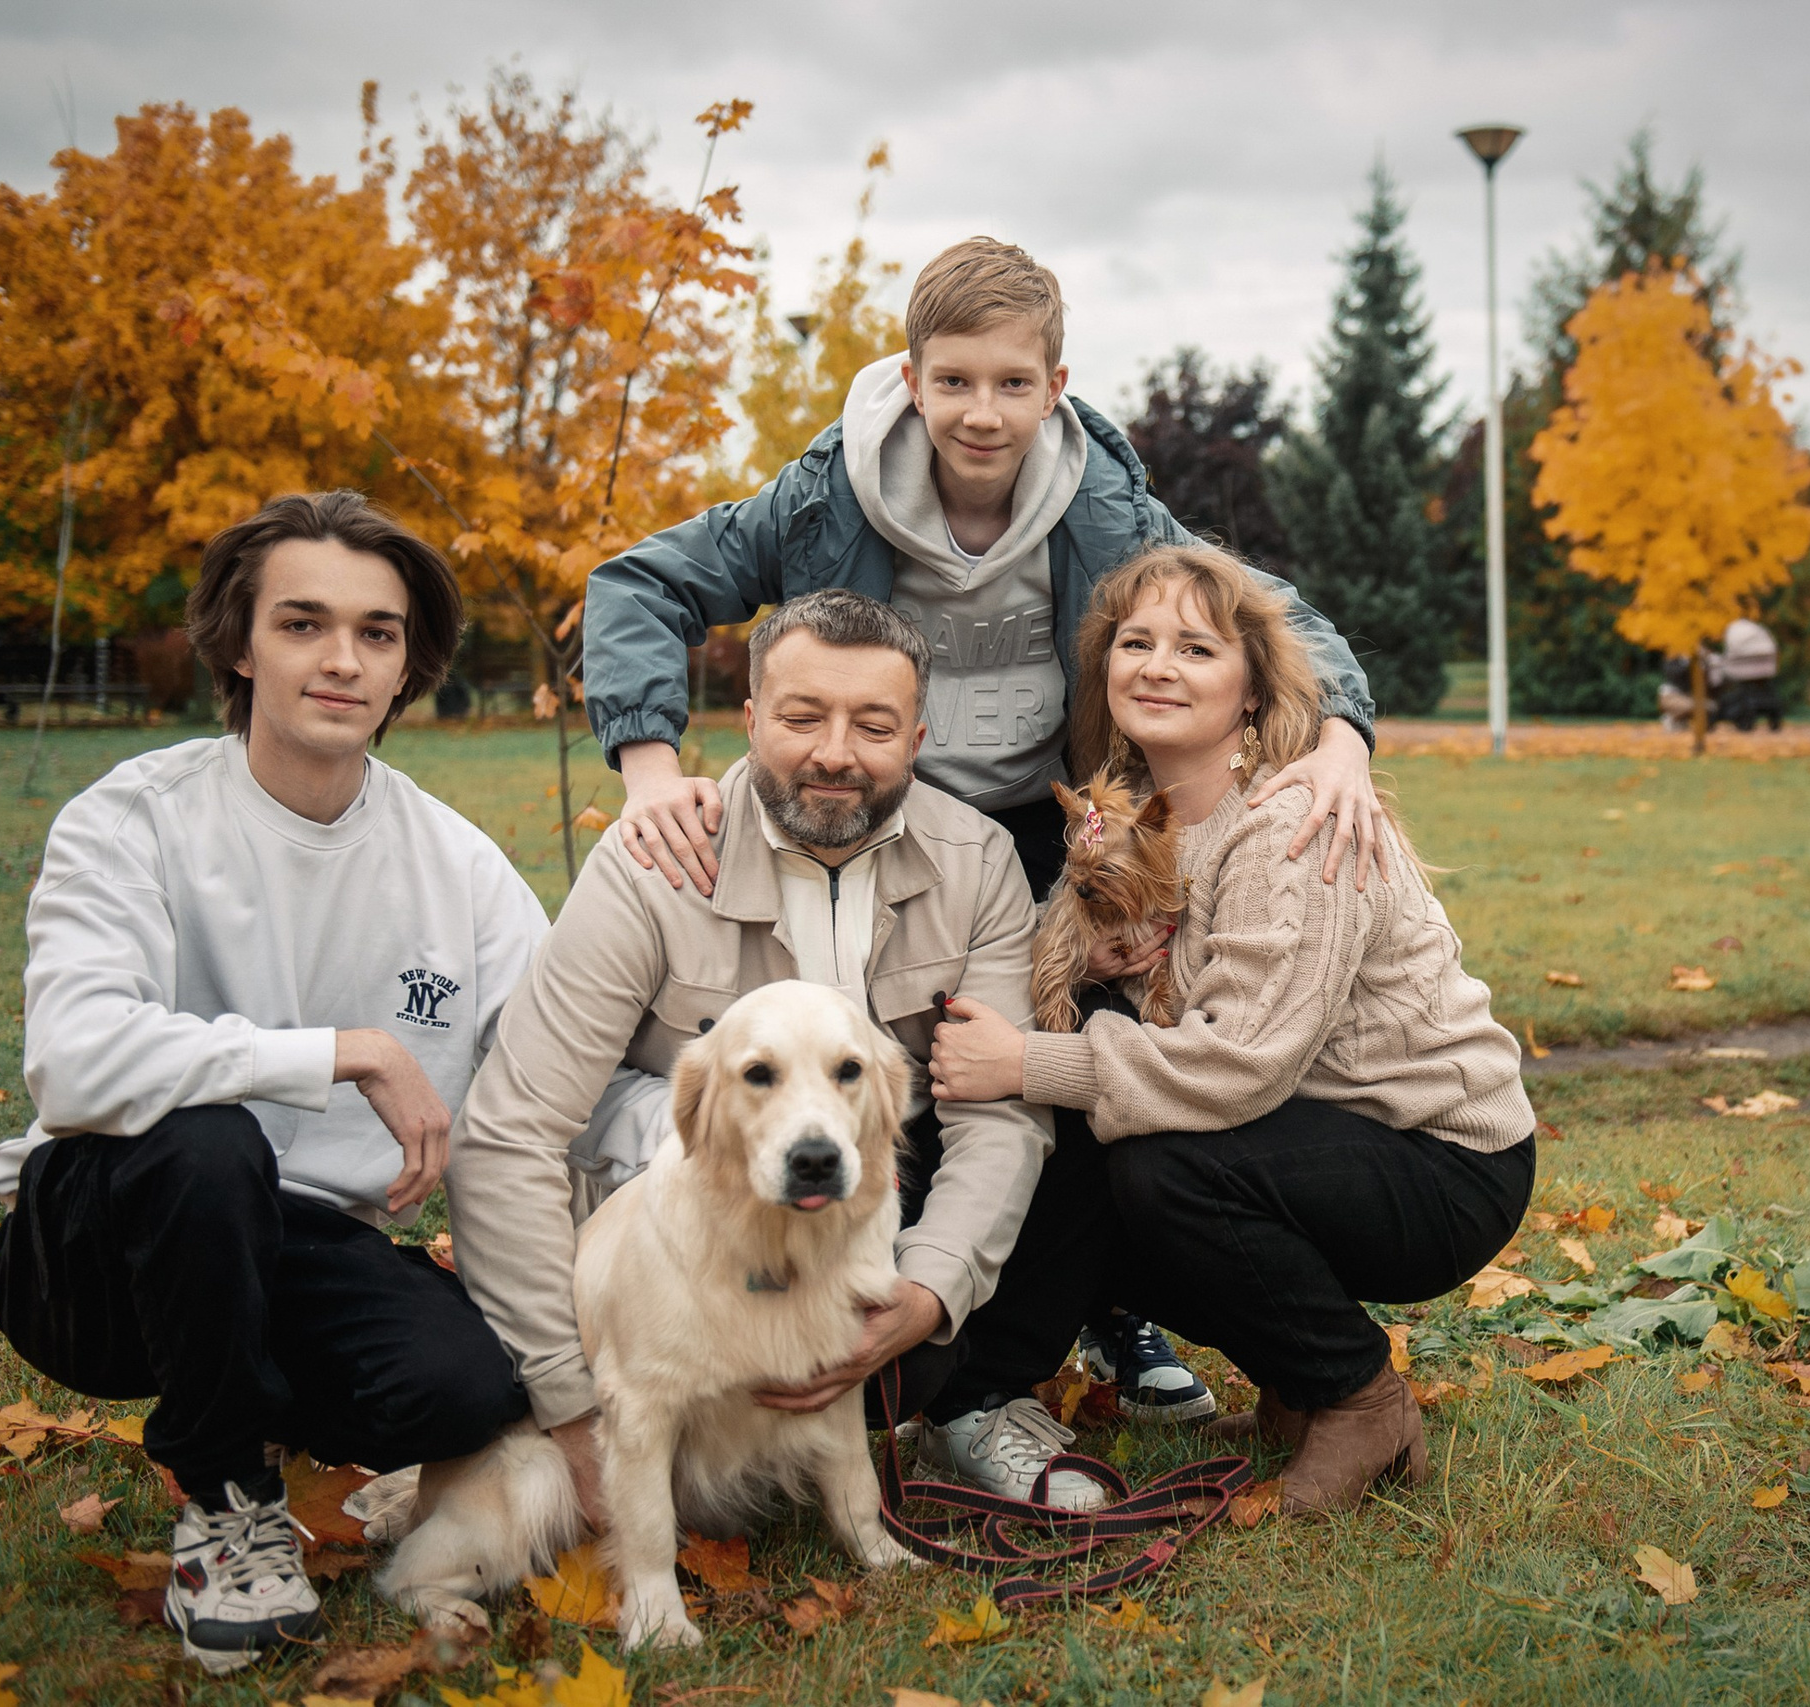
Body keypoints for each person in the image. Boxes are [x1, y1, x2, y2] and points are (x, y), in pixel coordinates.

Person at [583, 236, 1391, 1416]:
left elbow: (1269, 616)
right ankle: (864, 1289)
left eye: (1013, 383)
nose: (981, 411)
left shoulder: (1105, 509)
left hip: (1043, 823)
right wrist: (649, 767)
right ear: (911, 380)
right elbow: (641, 582)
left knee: (1076, 1059)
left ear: (1054, 388)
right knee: (887, 1056)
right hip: (878, 814)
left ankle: (1106, 1308)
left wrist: (1343, 738)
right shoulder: (824, 498)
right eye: (954, 380)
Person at [0, 492, 544, 1674]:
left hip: (300, 1242)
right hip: (99, 1249)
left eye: (377, 634)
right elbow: (74, 1058)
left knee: (464, 1388)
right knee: (209, 1140)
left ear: (408, 666)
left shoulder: (459, 867)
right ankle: (228, 1502)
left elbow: (558, 1080)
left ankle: (250, 1391)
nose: (342, 660)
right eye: (302, 624)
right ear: (240, 646)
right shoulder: (133, 818)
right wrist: (340, 1051)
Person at [451, 590, 1119, 1516]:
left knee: (1061, 1104)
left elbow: (997, 1111)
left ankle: (970, 1397)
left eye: (873, 726)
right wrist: (570, 1401)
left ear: (917, 738)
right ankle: (701, 1424)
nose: (835, 753)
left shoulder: (978, 861)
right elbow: (509, 1133)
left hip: (875, 1223)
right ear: (751, 719)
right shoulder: (650, 864)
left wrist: (929, 1292)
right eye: (803, 717)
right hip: (687, 1248)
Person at [926, 542, 1536, 1515]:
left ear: (1252, 689)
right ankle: (1288, 1385)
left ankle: (1356, 1395)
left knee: (1161, 1168)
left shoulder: (1290, 819)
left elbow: (1237, 1066)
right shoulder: (1133, 817)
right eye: (1135, 643)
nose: (1157, 666)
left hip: (1437, 1154)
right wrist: (1091, 968)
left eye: (1196, 649)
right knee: (1110, 1161)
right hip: (1308, 1131)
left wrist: (1024, 1062)